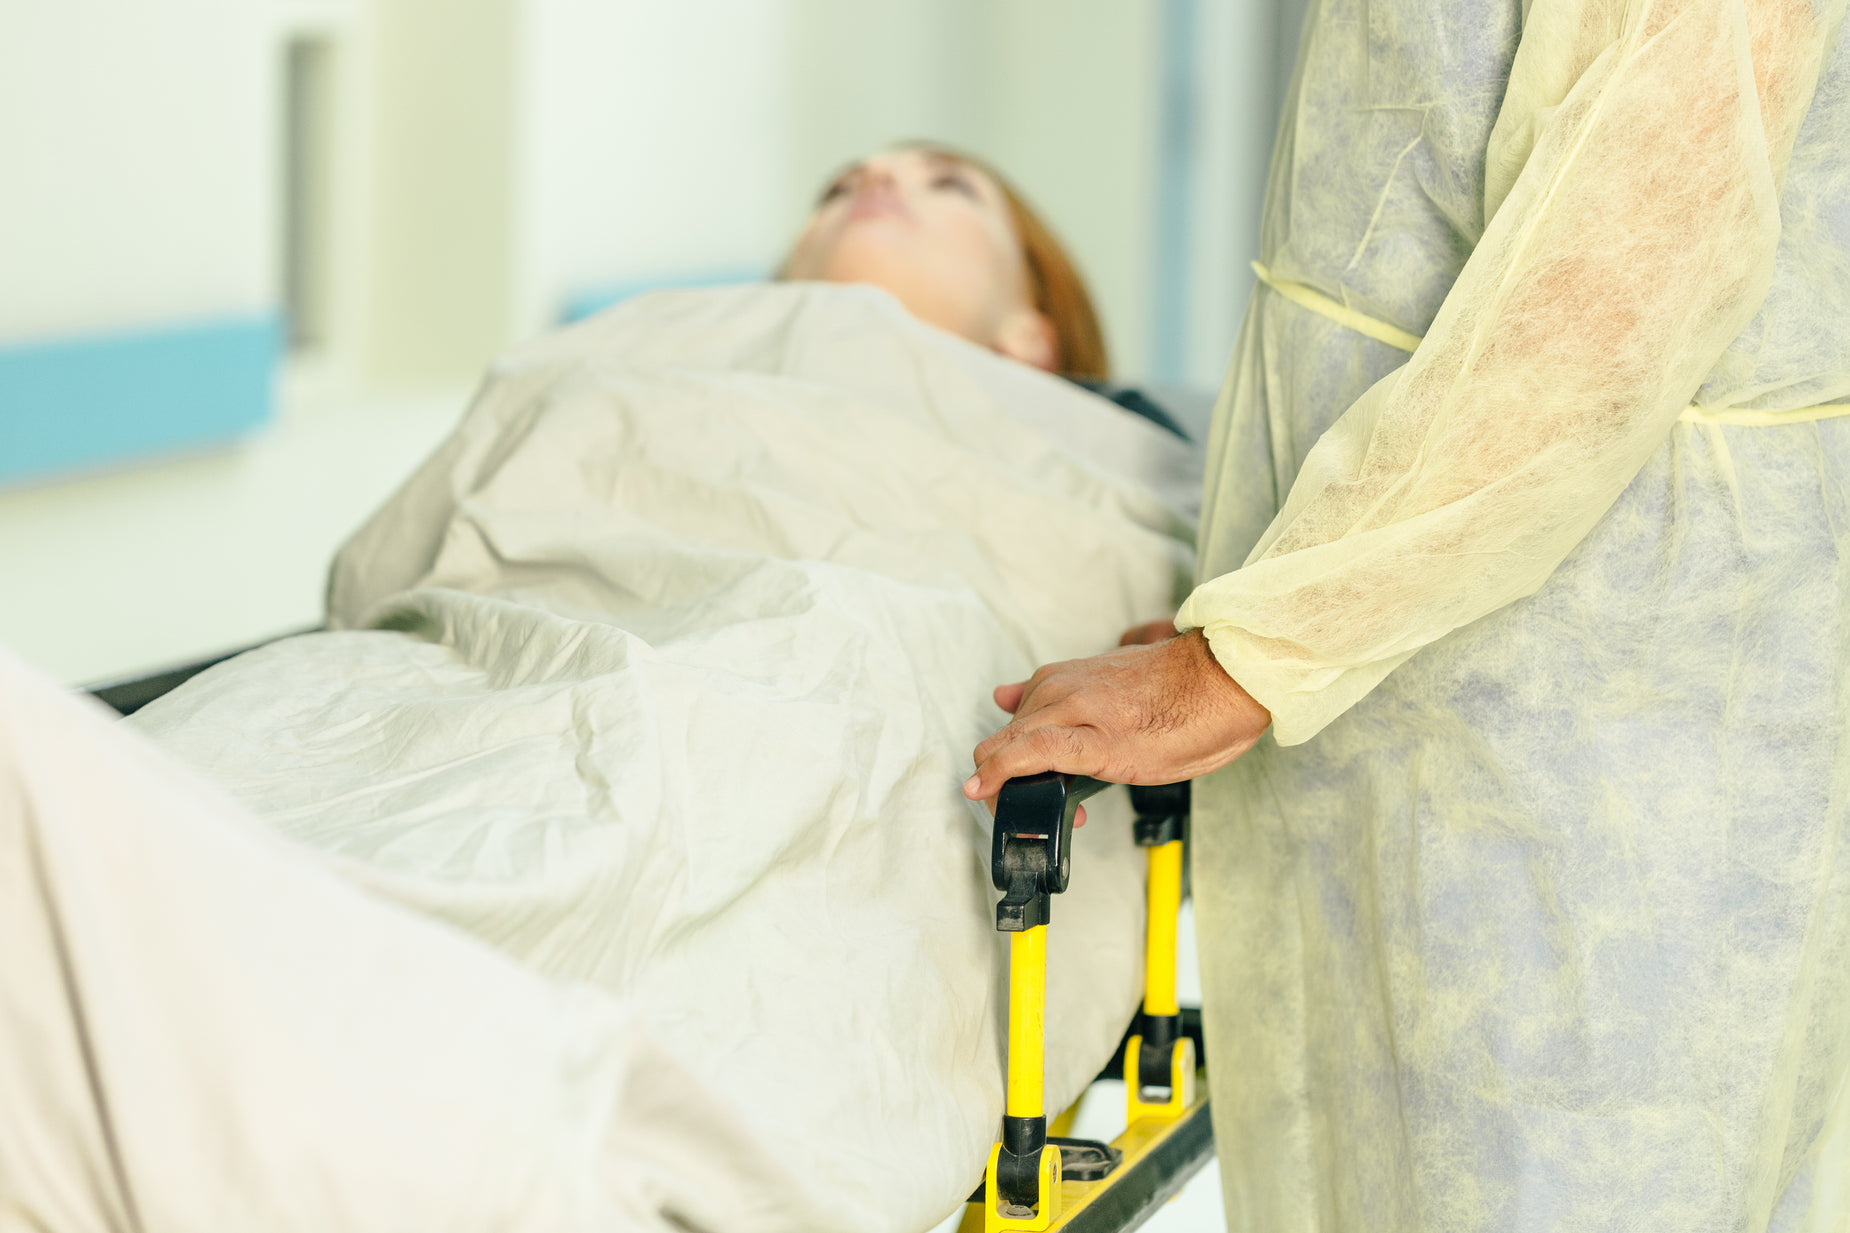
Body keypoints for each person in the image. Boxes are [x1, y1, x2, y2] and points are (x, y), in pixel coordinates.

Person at [1, 146, 1197, 1233]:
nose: (878, 173)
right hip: (432, 669)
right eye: (835, 182)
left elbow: (1170, 617)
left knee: (707, 762)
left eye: (949, 184)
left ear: (1033, 339)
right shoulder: (630, 352)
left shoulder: (1094, 459)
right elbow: (392, 566)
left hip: (823, 663)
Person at [965, 0, 1850, 1228]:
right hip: (1384, 662)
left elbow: (1615, 288)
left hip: (1594, 697)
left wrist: (1254, 652)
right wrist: (1273, 599)